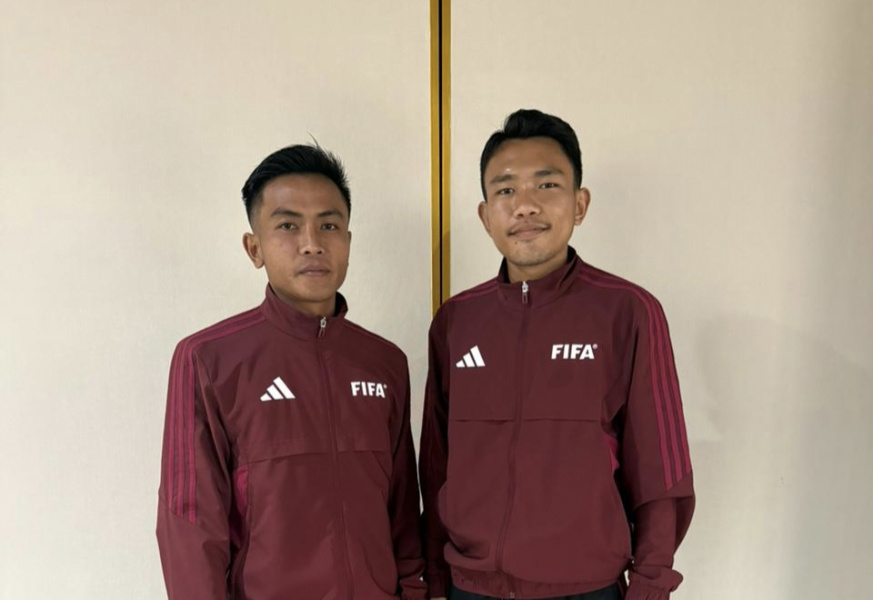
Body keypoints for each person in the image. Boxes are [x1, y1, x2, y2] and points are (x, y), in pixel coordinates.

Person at [420, 109, 694, 600]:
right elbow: (437, 465)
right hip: (470, 589)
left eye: (546, 185)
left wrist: (650, 584)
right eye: (505, 190)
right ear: (485, 215)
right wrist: (437, 584)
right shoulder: (456, 321)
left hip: (586, 589)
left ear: (579, 203)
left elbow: (662, 470)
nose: (525, 206)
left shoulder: (628, 311)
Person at [156, 144, 426, 600]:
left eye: (329, 225)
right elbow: (189, 522)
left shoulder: (385, 362)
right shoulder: (208, 360)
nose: (312, 242)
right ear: (254, 248)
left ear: (348, 241)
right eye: (287, 225)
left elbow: (401, 507)